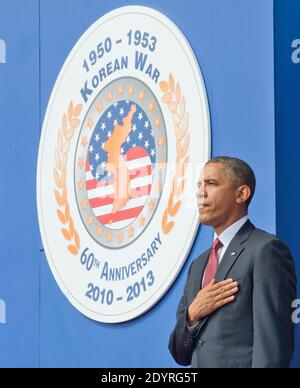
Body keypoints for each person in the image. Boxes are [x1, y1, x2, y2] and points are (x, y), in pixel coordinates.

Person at [168, 156, 297, 368]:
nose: (200, 192)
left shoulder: (266, 250)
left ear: (241, 194)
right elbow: (179, 354)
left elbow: (272, 349)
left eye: (211, 183)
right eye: (199, 185)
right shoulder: (198, 265)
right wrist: (193, 314)